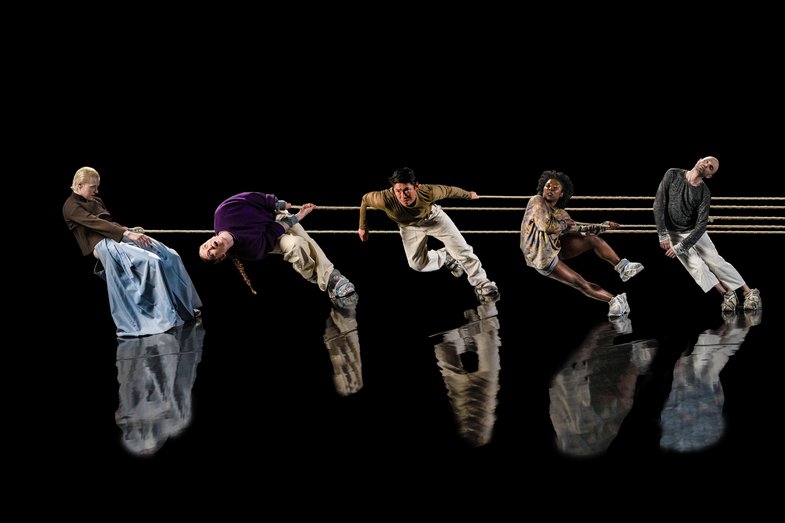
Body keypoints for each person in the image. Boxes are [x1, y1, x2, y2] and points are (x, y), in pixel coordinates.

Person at [63, 166, 202, 337]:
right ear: (79, 185)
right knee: (153, 262)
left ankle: (185, 309)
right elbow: (94, 223)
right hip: (103, 245)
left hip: (118, 236)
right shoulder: (70, 206)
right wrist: (126, 233)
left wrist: (125, 229)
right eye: (93, 187)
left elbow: (108, 223)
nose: (97, 190)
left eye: (97, 186)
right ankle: (166, 316)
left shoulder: (96, 201)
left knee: (170, 255)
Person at [357, 167, 499, 301]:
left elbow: (450, 191)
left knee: (462, 250)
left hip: (434, 219)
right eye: (398, 191)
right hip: (409, 227)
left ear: (416, 186)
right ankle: (445, 256)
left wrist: (469, 195)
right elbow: (365, 199)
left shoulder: (428, 191)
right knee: (417, 264)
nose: (402, 195)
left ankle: (482, 283)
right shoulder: (384, 198)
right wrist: (363, 227)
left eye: (407, 190)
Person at [520, 170, 644, 317]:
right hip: (541, 256)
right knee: (578, 282)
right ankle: (614, 300)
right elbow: (545, 226)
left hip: (555, 247)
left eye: (555, 188)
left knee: (592, 239)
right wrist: (564, 225)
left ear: (561, 193)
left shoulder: (560, 213)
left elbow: (579, 229)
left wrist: (603, 226)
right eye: (547, 186)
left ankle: (622, 267)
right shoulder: (537, 201)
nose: (550, 190)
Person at [199, 191, 355, 300]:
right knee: (297, 244)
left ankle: (332, 279)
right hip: (271, 236)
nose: (210, 248)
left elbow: (250, 198)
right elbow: (273, 233)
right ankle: (312, 275)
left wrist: (277, 204)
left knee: (305, 239)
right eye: (211, 253)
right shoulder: (249, 251)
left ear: (209, 239)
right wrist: (299, 216)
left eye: (206, 246)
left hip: (274, 214)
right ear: (222, 256)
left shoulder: (223, 213)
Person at [653, 156, 761, 312]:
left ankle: (750, 292)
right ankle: (727, 295)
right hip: (673, 233)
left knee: (715, 261)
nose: (707, 165)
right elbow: (658, 203)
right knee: (697, 267)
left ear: (709, 175)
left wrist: (682, 246)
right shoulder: (672, 174)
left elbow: (702, 225)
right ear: (699, 160)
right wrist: (662, 233)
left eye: (711, 167)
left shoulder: (704, 192)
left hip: (695, 232)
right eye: (707, 161)